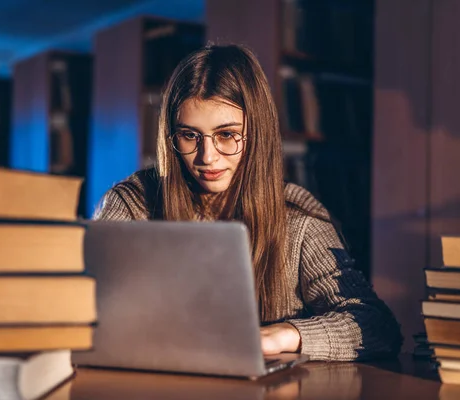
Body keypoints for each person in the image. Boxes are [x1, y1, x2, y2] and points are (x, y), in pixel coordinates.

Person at [93, 44, 403, 361]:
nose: (207, 157)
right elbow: (82, 300)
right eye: (189, 135)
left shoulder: (296, 219)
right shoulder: (135, 202)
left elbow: (376, 326)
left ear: (256, 133)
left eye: (226, 135)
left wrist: (284, 334)